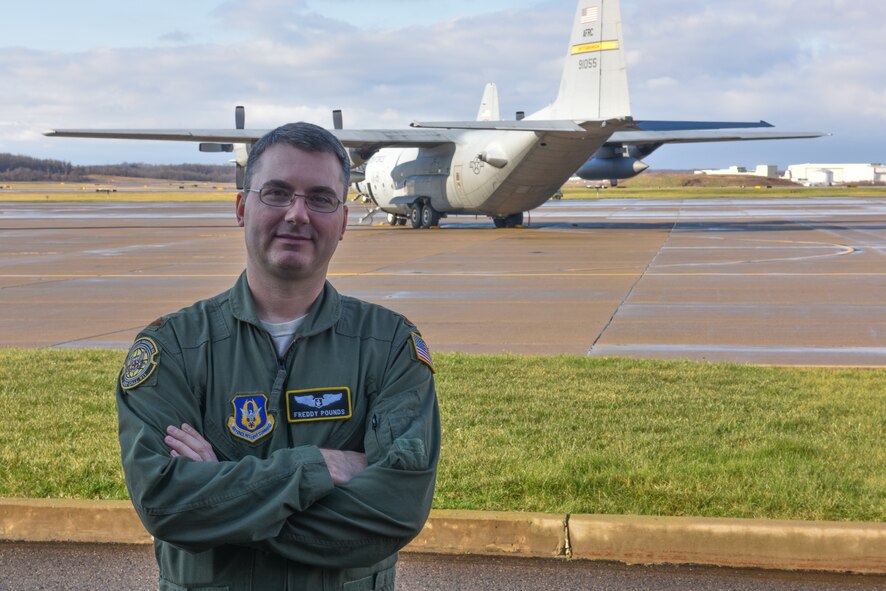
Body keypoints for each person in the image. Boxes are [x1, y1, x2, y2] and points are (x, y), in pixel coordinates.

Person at [116, 122, 440, 591]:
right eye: (277, 193)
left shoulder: (390, 347)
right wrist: (320, 467)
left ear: (344, 221)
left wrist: (223, 497)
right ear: (242, 208)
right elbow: (167, 503)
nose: (297, 214)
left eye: (321, 198)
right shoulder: (173, 348)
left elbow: (395, 508)